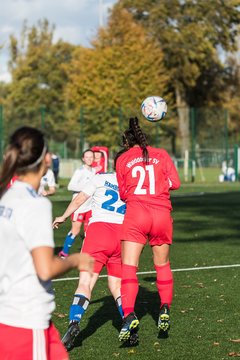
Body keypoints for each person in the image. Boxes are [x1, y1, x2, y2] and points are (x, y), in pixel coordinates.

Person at [0, 126, 94, 360]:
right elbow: (45, 268)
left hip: (13, 314)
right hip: (26, 319)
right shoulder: (36, 204)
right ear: (44, 158)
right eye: (49, 152)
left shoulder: (5, 196)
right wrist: (77, 259)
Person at [115, 117, 181, 342]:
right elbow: (175, 183)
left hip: (137, 214)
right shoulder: (162, 154)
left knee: (128, 268)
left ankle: (129, 314)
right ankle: (164, 308)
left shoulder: (123, 159)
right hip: (161, 214)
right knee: (162, 265)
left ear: (126, 143)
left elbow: (123, 194)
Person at [53, 171, 126, 351]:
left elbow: (79, 200)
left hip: (98, 233)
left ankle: (74, 322)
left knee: (86, 282)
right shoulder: (129, 182)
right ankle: (128, 320)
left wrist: (63, 216)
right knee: (117, 285)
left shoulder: (100, 178)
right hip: (121, 236)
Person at [58, 149, 95, 258]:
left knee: (89, 231)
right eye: (87, 157)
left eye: (91, 157)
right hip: (78, 207)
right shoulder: (80, 171)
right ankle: (64, 252)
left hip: (90, 206)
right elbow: (70, 186)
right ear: (83, 159)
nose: (89, 159)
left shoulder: (93, 171)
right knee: (75, 230)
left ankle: (87, 253)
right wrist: (86, 188)